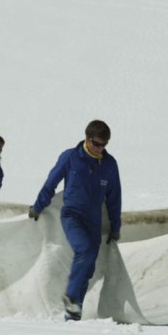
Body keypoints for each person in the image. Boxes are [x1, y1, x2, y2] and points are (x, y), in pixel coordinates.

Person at [28, 120, 122, 321]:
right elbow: (51, 182)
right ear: (87, 139)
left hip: (94, 220)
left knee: (88, 268)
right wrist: (37, 207)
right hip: (72, 215)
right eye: (97, 144)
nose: (100, 149)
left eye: (104, 144)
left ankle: (73, 314)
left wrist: (116, 226)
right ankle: (71, 296)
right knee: (85, 250)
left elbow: (115, 197)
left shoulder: (109, 164)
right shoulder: (70, 157)